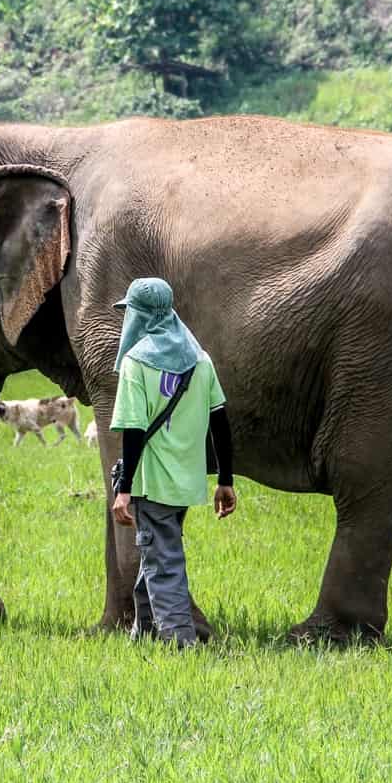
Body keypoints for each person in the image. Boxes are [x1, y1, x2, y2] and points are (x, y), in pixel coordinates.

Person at [109, 277, 236, 647]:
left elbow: (133, 431)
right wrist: (224, 480)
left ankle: (181, 643)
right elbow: (220, 422)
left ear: (141, 316)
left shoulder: (137, 362)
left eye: (129, 312)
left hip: (152, 481)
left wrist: (124, 489)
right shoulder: (200, 359)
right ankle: (144, 633)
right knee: (157, 550)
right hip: (186, 480)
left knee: (163, 562)